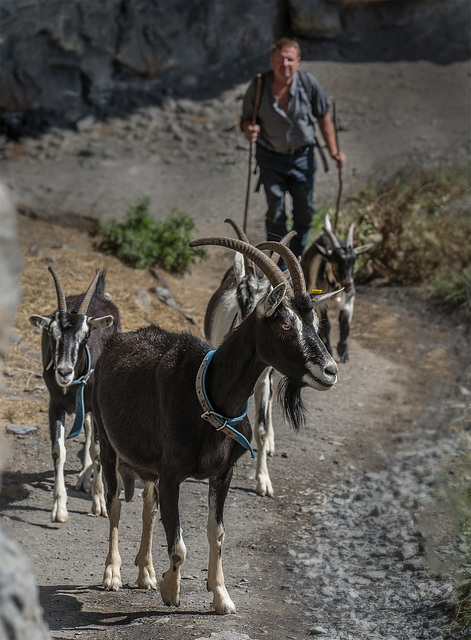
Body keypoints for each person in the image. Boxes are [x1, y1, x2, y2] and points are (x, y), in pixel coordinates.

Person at [241, 38, 346, 259]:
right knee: (276, 211)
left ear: (298, 61)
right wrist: (249, 129)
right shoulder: (259, 86)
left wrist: (334, 151)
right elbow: (246, 119)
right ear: (272, 60)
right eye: (280, 59)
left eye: (290, 59)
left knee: (304, 210)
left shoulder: (308, 83)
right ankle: (278, 262)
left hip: (302, 157)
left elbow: (323, 117)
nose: (285, 64)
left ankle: (296, 257)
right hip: (270, 158)